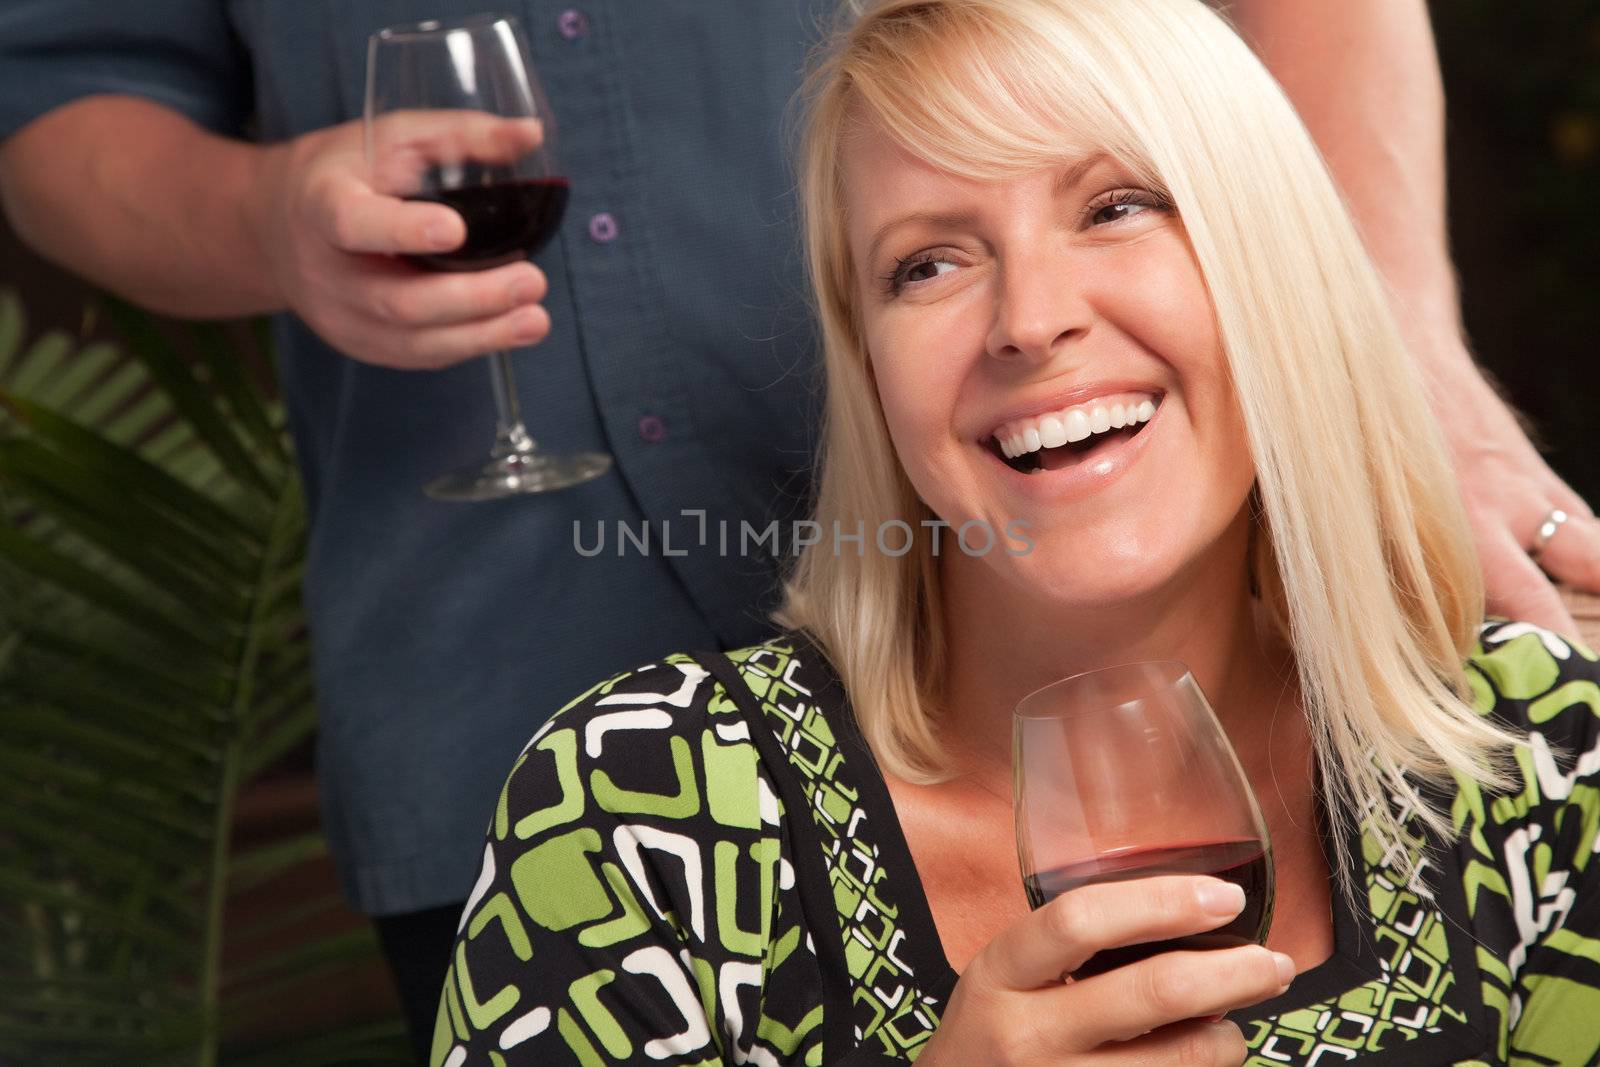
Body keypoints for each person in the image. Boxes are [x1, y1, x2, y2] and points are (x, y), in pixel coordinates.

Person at [0, 0, 1594, 1060]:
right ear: (859, 346)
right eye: (927, 263)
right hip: (518, 668)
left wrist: (1410, 370)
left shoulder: (1541, 773)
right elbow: (62, 84)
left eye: (1119, 205)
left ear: (1269, 253)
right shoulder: (617, 830)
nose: (1035, 317)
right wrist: (264, 212)